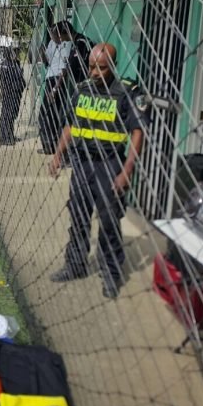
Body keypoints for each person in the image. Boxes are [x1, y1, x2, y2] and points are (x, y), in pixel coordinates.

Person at [48, 43, 150, 299]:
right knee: (78, 219)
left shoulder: (127, 92)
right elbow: (71, 125)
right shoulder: (82, 89)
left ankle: (111, 275)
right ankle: (75, 266)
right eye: (92, 66)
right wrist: (58, 154)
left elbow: (139, 132)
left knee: (109, 222)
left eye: (101, 68)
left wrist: (128, 170)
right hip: (82, 164)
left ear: (113, 67)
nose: (94, 72)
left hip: (110, 163)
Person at [37, 23, 73, 154]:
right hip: (49, 79)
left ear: (60, 34)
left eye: (53, 34)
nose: (52, 36)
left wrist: (55, 89)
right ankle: (48, 146)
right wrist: (41, 49)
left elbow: (64, 70)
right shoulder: (53, 43)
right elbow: (45, 60)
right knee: (45, 114)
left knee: (51, 114)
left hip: (58, 82)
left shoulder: (67, 45)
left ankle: (52, 146)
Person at [0, 48, 26, 146]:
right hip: (9, 93)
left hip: (16, 93)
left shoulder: (16, 63)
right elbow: (3, 81)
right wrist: (3, 92)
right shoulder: (6, 65)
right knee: (7, 115)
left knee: (12, 115)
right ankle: (5, 138)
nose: (17, 54)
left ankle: (10, 135)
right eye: (15, 53)